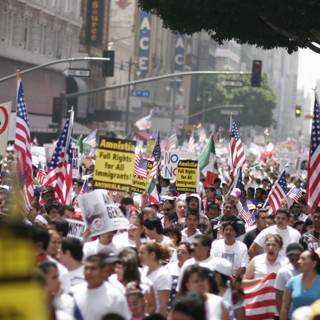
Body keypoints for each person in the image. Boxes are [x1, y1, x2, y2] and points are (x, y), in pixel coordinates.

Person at [70, 254, 131, 320]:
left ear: (103, 271)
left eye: (93, 269)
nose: (88, 272)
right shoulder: (73, 292)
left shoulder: (115, 297)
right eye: (86, 268)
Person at [280, 250, 320, 320]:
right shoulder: (292, 282)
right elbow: (285, 308)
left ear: (314, 263)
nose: (299, 261)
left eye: (303, 259)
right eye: (299, 259)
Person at [139, 241, 172, 317]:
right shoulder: (144, 269)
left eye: (142, 253)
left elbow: (163, 305)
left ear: (152, 255)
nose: (139, 255)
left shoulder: (163, 275)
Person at [275, 243, 303, 314]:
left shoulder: (311, 269)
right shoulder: (283, 272)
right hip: (291, 314)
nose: (295, 260)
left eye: (297, 257)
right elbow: (279, 296)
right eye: (291, 258)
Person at [165, 242, 192, 309]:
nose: (179, 253)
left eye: (183, 252)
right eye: (178, 251)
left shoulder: (192, 269)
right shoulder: (169, 266)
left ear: (190, 255)